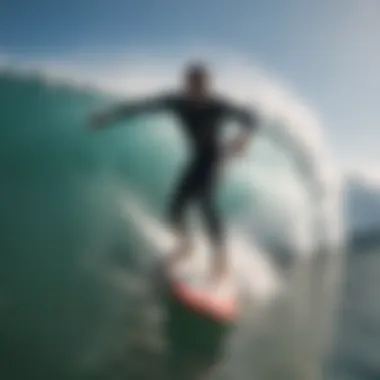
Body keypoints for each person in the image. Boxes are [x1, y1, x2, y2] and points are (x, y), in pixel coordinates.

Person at [88, 62, 258, 282]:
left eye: (202, 86)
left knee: (204, 200)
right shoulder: (177, 102)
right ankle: (186, 246)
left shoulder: (218, 105)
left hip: (216, 158)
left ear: (208, 85)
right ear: (187, 85)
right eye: (193, 85)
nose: (198, 91)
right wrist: (108, 117)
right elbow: (141, 107)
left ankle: (220, 258)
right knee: (174, 210)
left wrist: (243, 138)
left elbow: (252, 118)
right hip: (197, 159)